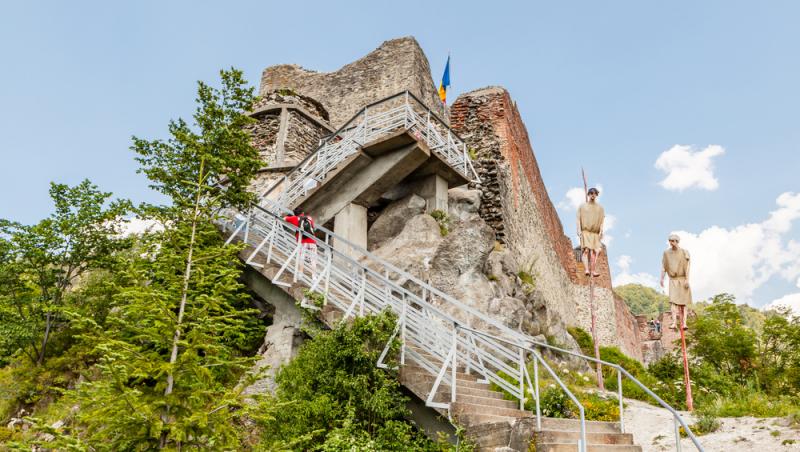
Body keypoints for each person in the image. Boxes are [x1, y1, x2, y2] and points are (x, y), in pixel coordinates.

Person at [660, 234, 692, 330]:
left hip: (682, 279)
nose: (671, 243)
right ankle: (674, 322)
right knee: (673, 302)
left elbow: (688, 267)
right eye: (670, 241)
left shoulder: (684, 252)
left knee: (683, 303)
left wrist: (687, 279)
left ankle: (684, 323)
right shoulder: (666, 253)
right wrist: (662, 278)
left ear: (677, 241)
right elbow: (664, 267)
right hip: (673, 280)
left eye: (673, 241)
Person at [576, 187, 605, 277]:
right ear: (588, 194)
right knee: (586, 251)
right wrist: (578, 230)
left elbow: (602, 221)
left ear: (596, 195)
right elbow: (578, 218)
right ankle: (587, 269)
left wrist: (601, 231)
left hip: (595, 233)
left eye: (595, 193)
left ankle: (593, 270)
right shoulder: (582, 206)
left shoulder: (600, 208)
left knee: (595, 252)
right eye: (591, 193)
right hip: (586, 231)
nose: (593, 195)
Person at [284, 207, 317, 276]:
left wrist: (290, 216)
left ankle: (300, 273)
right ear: (303, 213)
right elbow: (313, 227)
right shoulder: (309, 218)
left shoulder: (294, 218)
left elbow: (284, 219)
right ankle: (314, 277)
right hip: (312, 241)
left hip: (302, 242)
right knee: (313, 259)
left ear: (295, 214)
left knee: (302, 257)